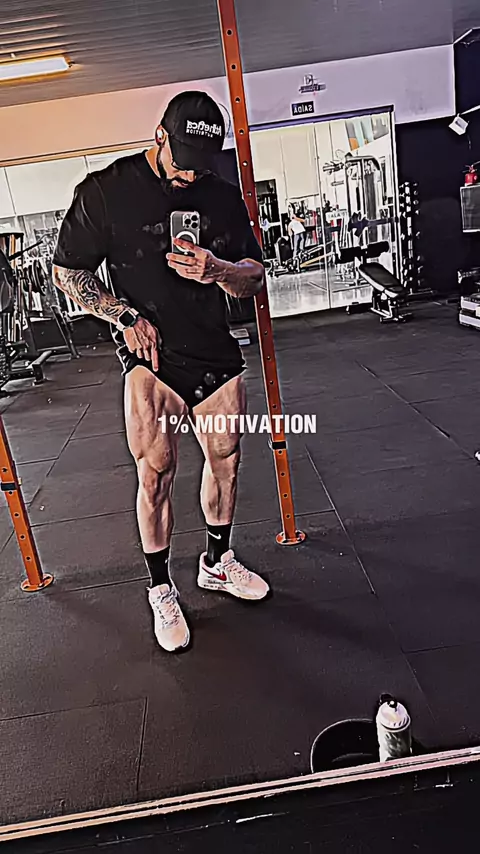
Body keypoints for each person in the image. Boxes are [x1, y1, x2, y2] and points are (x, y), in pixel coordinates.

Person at [52, 91, 270, 654]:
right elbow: (67, 272)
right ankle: (160, 588)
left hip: (212, 347)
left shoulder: (220, 194)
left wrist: (217, 270)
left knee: (226, 459)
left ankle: (217, 561)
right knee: (156, 470)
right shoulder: (105, 191)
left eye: (201, 165)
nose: (189, 176)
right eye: (182, 162)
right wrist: (122, 316)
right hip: (150, 352)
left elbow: (254, 275)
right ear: (159, 136)